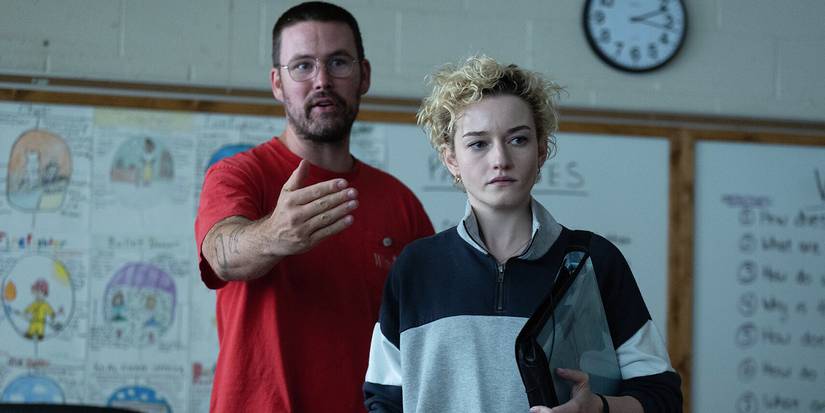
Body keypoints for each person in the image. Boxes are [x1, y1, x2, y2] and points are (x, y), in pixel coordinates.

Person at [363, 56, 682, 412]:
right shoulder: (416, 267)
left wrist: (598, 408)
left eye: (517, 139)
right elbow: (384, 399)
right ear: (451, 158)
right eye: (478, 144)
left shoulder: (594, 262)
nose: (500, 158)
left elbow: (662, 397)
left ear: (542, 149)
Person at [194, 2, 434, 412]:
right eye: (302, 66)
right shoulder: (238, 175)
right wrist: (274, 235)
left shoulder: (400, 203)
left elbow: (433, 336)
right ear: (277, 83)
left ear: (365, 76)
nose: (321, 80)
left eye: (338, 62)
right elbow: (221, 256)